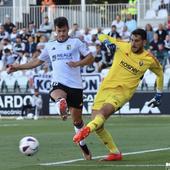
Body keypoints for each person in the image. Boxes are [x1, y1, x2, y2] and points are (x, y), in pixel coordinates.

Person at [7, 16, 94, 160]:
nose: (61, 34)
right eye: (59, 31)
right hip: (59, 82)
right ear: (55, 30)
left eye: (64, 31)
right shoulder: (50, 46)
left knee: (77, 122)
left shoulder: (76, 42)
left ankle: (83, 146)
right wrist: (17, 67)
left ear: (68, 29)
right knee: (56, 92)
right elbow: (37, 62)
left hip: (76, 86)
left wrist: (78, 63)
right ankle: (60, 102)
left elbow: (90, 57)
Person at [73, 29, 163, 161]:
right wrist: (107, 43)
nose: (133, 43)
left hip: (122, 92)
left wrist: (159, 94)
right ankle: (115, 152)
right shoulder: (122, 45)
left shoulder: (149, 59)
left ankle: (85, 131)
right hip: (105, 88)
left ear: (144, 42)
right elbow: (101, 35)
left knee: (102, 113)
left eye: (137, 41)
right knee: (98, 123)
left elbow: (160, 73)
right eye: (132, 40)